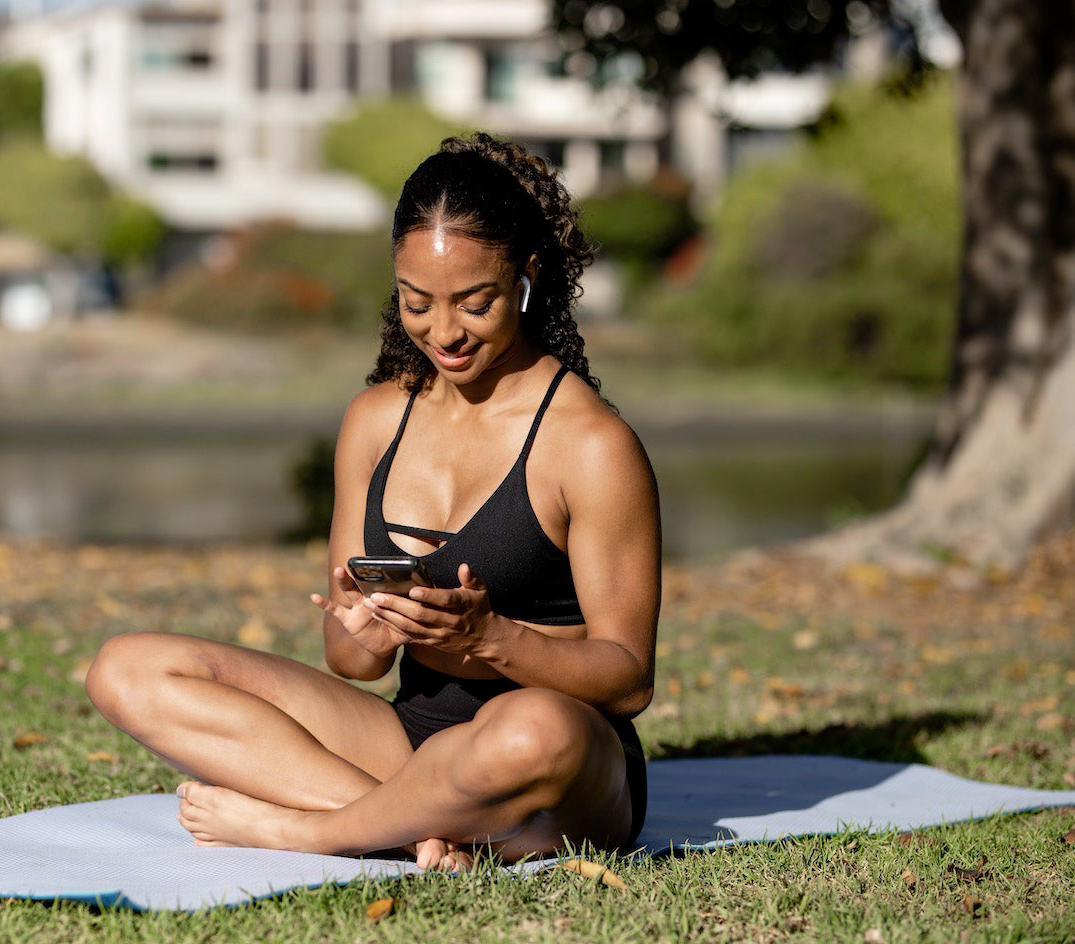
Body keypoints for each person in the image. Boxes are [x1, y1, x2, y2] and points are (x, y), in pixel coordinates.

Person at [85, 133, 660, 870]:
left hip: (560, 763)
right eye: (416, 303)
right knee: (127, 667)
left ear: (526, 276)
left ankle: (315, 830)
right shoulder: (374, 421)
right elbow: (350, 663)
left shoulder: (589, 445)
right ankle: (420, 832)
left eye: (474, 302)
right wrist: (368, 631)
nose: (444, 331)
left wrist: (491, 640)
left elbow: (629, 680)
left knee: (532, 730)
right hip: (409, 742)